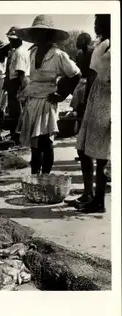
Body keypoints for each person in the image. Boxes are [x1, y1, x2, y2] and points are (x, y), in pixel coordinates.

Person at [15, 15, 81, 175]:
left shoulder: (58, 54)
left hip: (48, 100)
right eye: (36, 33)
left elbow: (76, 74)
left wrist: (62, 95)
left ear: (49, 35)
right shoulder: (32, 53)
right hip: (32, 100)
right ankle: (35, 175)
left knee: (46, 141)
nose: (39, 37)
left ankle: (45, 177)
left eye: (42, 33)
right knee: (34, 143)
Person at [74, 14, 111, 214]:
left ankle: (98, 201)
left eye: (98, 22)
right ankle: (92, 196)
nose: (95, 25)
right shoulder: (102, 45)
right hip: (95, 99)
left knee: (101, 153)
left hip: (106, 100)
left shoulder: (109, 47)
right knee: (85, 149)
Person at [5, 26, 30, 143]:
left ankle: (18, 136)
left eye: (11, 40)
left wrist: (20, 90)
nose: (9, 42)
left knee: (16, 111)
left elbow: (21, 72)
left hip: (17, 84)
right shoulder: (20, 51)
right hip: (17, 83)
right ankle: (17, 134)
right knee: (16, 110)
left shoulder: (19, 53)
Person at [71, 33, 94, 132]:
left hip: (89, 81)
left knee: (83, 105)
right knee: (79, 106)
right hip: (83, 81)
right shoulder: (81, 53)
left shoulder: (91, 52)